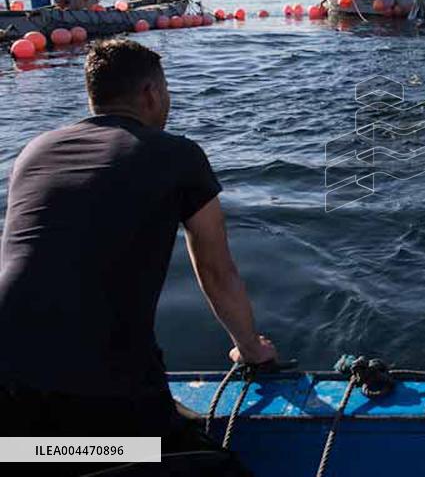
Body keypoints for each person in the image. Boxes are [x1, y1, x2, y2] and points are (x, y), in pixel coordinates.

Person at [0, 40, 278, 475]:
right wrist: (251, 350)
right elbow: (216, 272)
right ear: (151, 93)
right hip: (103, 403)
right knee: (216, 467)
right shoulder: (178, 154)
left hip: (9, 402)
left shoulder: (35, 151)